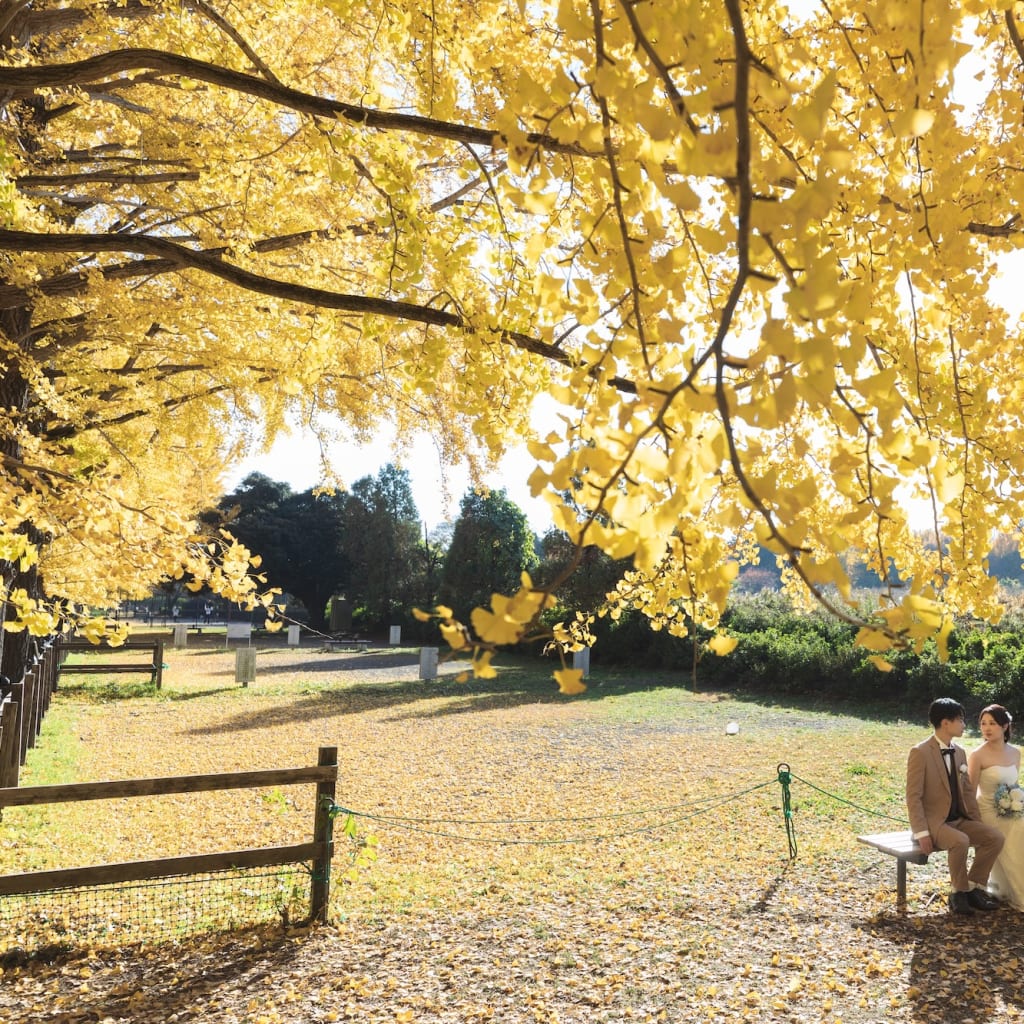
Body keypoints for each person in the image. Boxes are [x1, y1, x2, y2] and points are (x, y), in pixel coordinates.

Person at [906, 697, 1004, 914]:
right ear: (945, 723)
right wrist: (921, 832)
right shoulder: (920, 752)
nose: (964, 724)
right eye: (960, 720)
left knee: (994, 838)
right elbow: (913, 796)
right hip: (935, 822)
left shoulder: (959, 751)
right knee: (960, 841)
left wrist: (976, 821)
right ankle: (958, 894)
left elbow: (967, 791)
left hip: (959, 819)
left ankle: (974, 887)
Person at [968, 703, 1024, 909]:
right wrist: (971, 819)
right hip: (987, 810)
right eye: (983, 723)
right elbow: (971, 790)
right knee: (1020, 829)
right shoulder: (977, 755)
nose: (986, 728)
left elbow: (1015, 786)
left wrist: (1016, 803)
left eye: (992, 723)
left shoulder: (1015, 753)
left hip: (1011, 808)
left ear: (1005, 726)